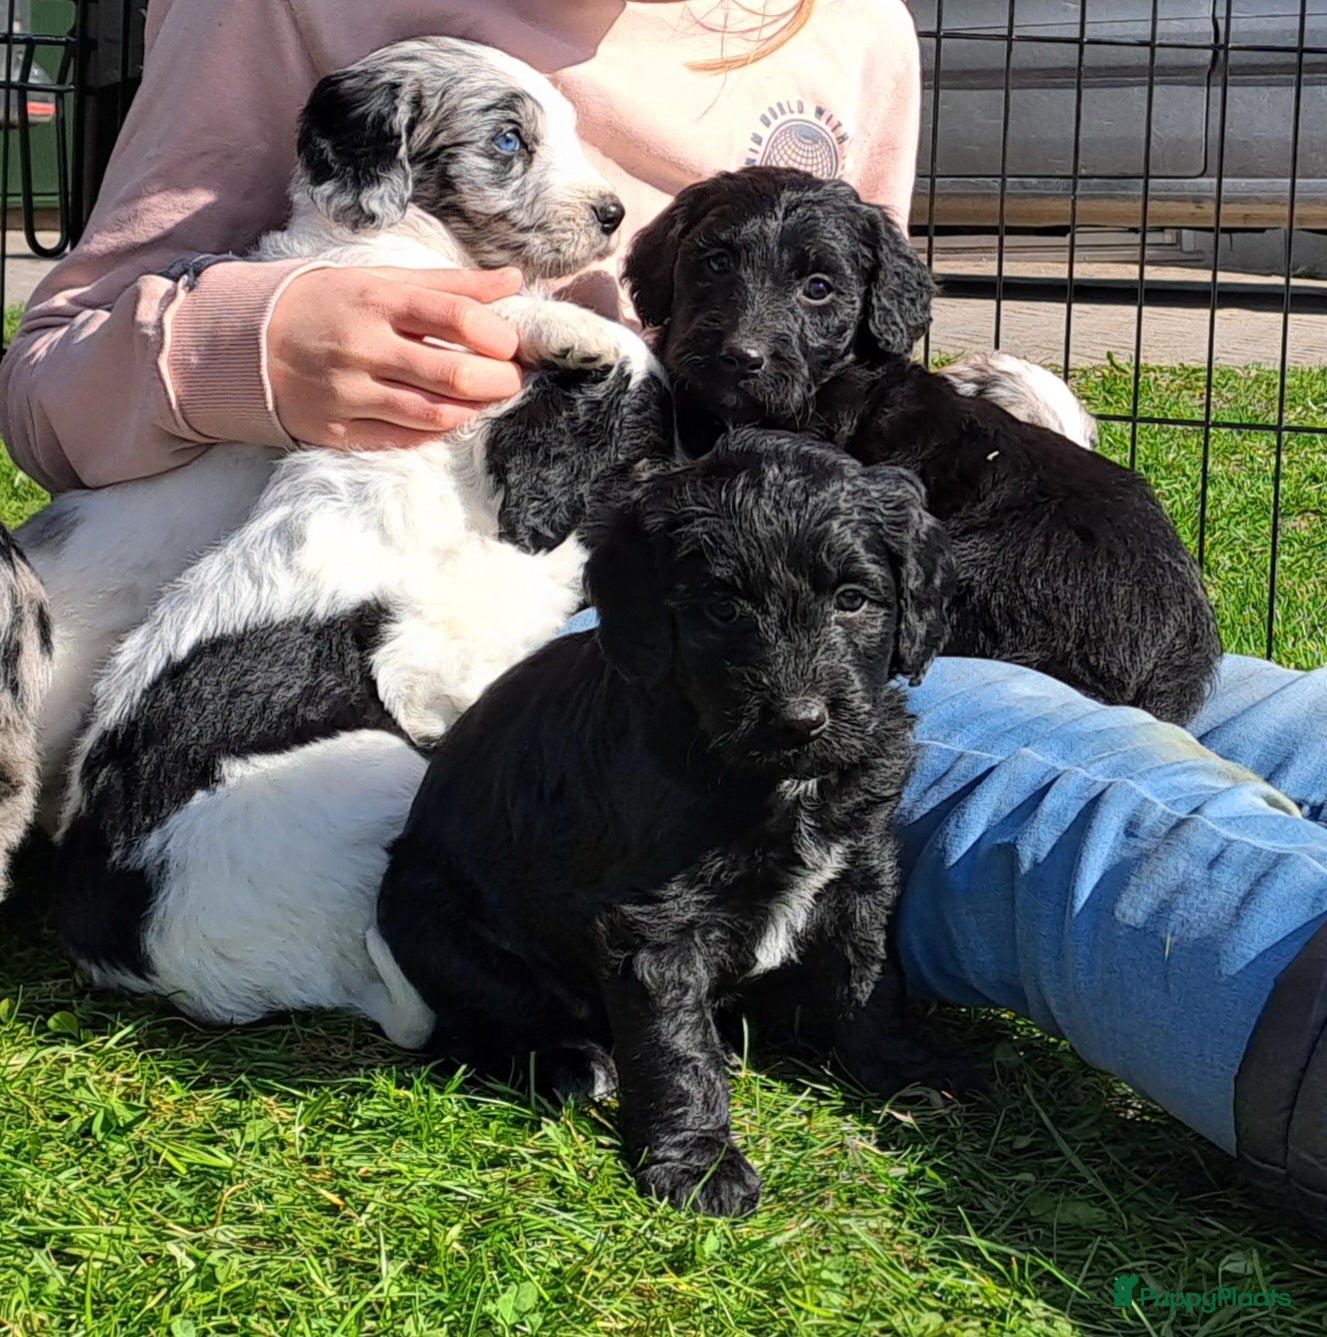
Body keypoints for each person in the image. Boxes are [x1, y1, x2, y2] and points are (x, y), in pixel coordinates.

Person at [3, 0, 1326, 1238]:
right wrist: (263, 337)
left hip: (801, 567)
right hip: (574, 620)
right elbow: (54, 377)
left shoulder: (849, 29)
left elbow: (855, 357)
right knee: (1051, 785)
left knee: (1259, 708)